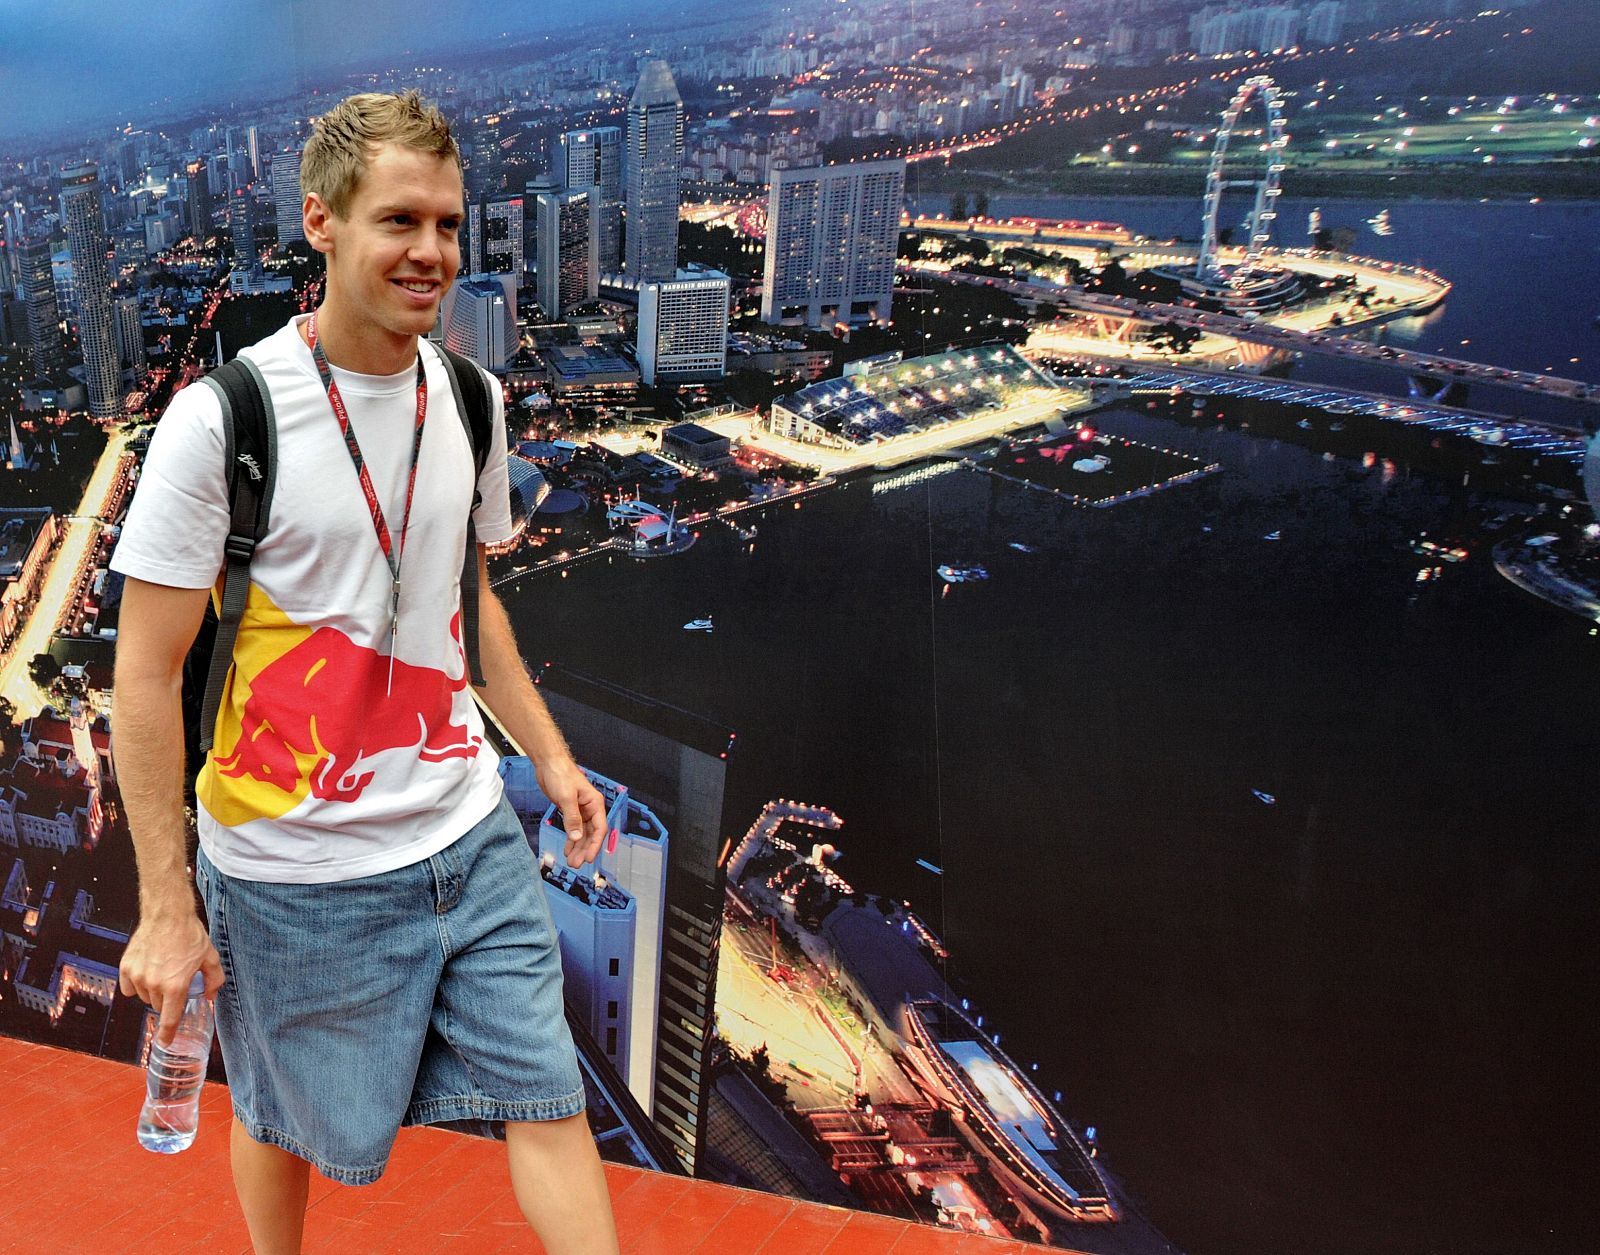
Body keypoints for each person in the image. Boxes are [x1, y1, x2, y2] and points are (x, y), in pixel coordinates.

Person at [111, 91, 621, 1255]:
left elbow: (464, 599)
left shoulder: (472, 400)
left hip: (468, 830)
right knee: (284, 1121)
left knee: (550, 1099)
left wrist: (545, 754)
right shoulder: (224, 420)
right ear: (322, 223)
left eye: (449, 223)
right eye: (401, 220)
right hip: (294, 868)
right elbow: (144, 675)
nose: (432, 251)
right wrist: (163, 901)